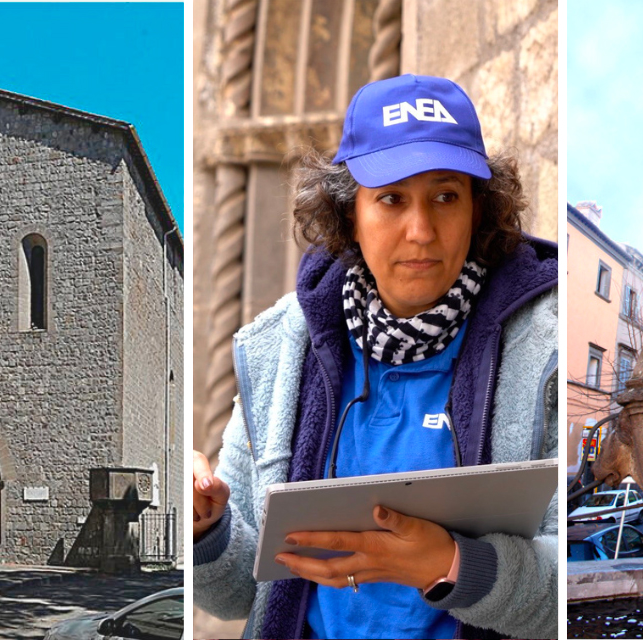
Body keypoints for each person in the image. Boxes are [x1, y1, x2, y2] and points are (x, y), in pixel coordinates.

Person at [191, 74, 557, 639]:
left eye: (445, 196)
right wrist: (205, 527)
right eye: (390, 199)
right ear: (349, 216)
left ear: (478, 212)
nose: (420, 231)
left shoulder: (543, 351)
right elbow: (241, 591)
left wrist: (452, 566)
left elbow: (560, 598)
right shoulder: (276, 349)